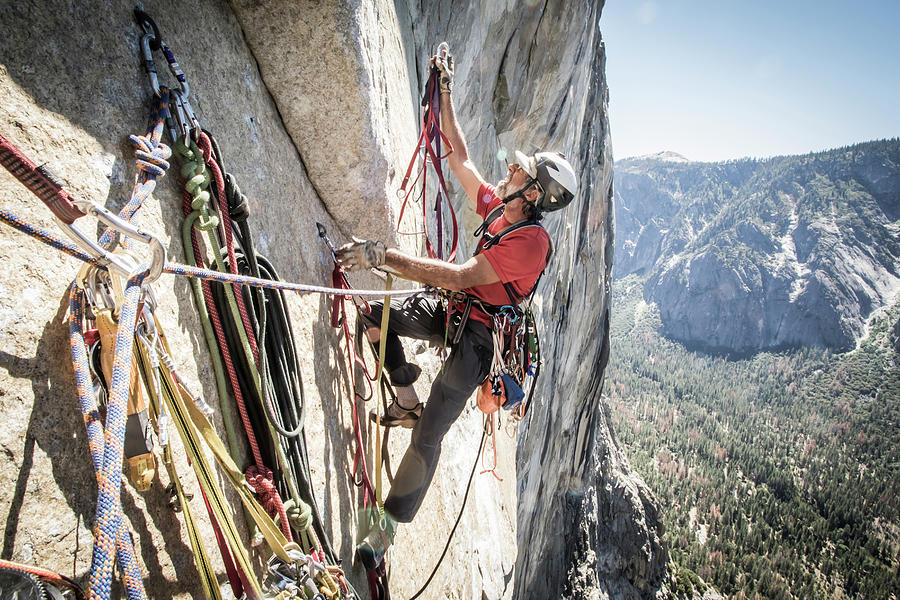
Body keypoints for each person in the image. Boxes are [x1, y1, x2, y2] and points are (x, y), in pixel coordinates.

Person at [336, 50, 577, 568]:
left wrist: (385, 256)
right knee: (375, 314)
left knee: (431, 434)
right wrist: (444, 88)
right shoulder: (501, 208)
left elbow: (462, 276)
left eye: (522, 170)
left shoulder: (531, 241)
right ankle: (403, 395)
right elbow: (460, 157)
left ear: (534, 194)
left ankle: (387, 531)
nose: (512, 167)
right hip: (455, 312)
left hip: (478, 340)